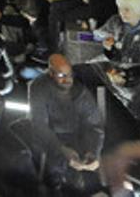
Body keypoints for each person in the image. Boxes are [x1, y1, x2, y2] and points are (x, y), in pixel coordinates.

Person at [27, 53, 104, 190]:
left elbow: (94, 124)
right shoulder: (39, 88)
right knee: (52, 176)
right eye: (61, 76)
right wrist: (61, 149)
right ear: (51, 73)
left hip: (76, 135)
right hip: (50, 137)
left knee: (91, 179)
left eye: (69, 75)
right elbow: (39, 124)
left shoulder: (80, 92)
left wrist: (92, 151)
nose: (67, 80)